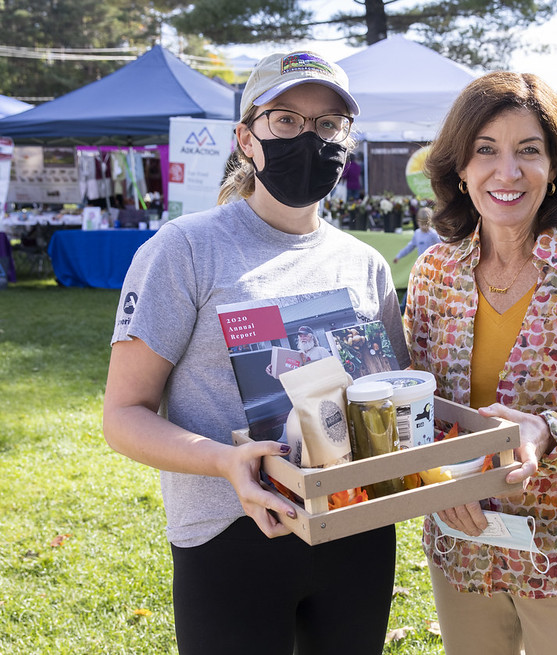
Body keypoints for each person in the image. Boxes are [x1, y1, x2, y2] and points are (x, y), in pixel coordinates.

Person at [103, 49, 409, 655]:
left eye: (327, 125)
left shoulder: (365, 264)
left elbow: (389, 402)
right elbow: (123, 415)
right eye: (286, 119)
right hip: (231, 534)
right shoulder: (185, 250)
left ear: (346, 141)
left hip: (356, 529)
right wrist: (226, 462)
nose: (309, 136)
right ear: (247, 138)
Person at [403, 71, 557, 655]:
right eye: (485, 150)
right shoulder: (435, 272)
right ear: (459, 169)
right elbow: (412, 406)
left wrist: (548, 434)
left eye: (528, 151)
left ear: (556, 168)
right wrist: (435, 480)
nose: (507, 172)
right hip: (462, 543)